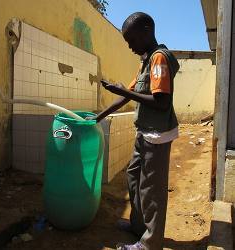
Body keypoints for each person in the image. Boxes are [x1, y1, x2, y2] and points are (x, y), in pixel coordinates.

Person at [87, 12, 179, 250]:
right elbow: (128, 92)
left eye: (132, 40)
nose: (129, 46)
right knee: (134, 178)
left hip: (156, 136)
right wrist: (100, 116)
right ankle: (139, 226)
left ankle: (150, 243)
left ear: (147, 31)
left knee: (152, 191)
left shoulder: (159, 59)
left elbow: (162, 102)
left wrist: (124, 93)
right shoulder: (146, 61)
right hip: (144, 132)